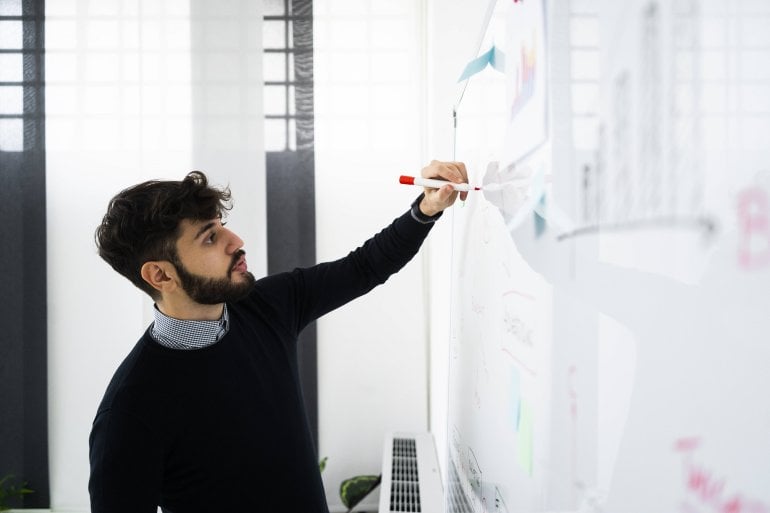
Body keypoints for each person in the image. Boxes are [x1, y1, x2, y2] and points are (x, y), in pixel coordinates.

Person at [89, 160, 468, 512]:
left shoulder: (265, 305)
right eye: (209, 238)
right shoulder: (130, 412)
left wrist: (426, 208)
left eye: (221, 224)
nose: (235, 240)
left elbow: (364, 267)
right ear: (161, 276)